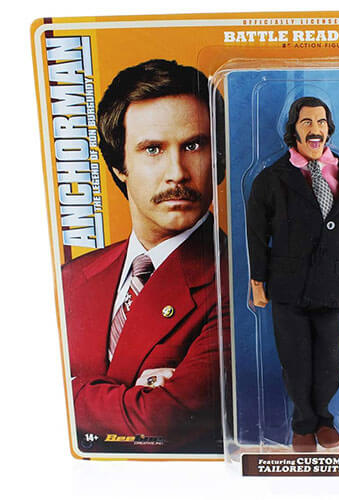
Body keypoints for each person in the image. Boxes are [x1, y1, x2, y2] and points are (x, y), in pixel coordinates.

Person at [62, 59, 228, 454]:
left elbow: (161, 420)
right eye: (153, 149)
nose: (177, 172)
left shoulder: (241, 283)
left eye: (193, 145)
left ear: (218, 157)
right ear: (119, 165)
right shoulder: (70, 278)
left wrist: (66, 390)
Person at [246, 96, 339, 452]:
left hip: (332, 287)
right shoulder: (272, 180)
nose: (315, 129)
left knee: (329, 360)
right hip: (289, 288)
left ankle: (324, 420)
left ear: (329, 129)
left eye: (321, 122)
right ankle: (303, 425)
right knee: (296, 360)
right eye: (307, 122)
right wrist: (257, 282)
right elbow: (257, 235)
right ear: (294, 131)